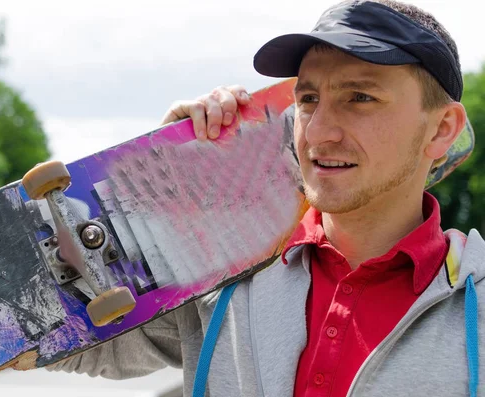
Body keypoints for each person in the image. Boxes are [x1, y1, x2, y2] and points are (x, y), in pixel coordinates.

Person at [49, 0, 484, 395]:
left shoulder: (475, 305)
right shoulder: (225, 275)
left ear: (443, 128)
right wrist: (148, 215)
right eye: (309, 99)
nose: (316, 133)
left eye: (360, 98)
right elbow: (63, 345)